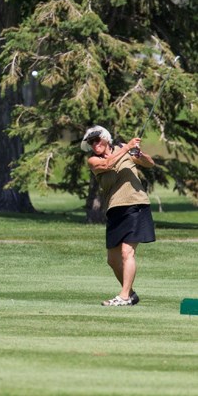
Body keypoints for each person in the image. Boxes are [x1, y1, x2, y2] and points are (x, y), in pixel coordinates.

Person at [82, 125, 156, 307]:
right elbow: (108, 164)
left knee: (126, 252)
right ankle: (130, 294)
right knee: (113, 260)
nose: (94, 144)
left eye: (97, 139)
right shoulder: (93, 161)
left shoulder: (124, 148)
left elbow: (150, 163)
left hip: (135, 204)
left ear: (106, 139)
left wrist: (138, 154)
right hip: (114, 209)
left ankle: (123, 297)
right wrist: (127, 147)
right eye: (91, 142)